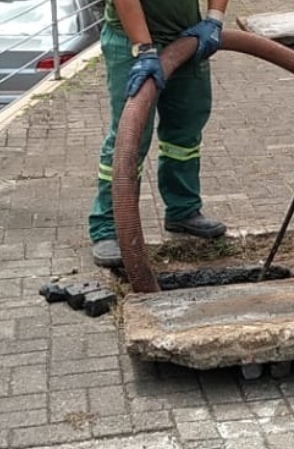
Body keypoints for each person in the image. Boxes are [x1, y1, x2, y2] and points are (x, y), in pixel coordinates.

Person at [89, 0, 230, 267]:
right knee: (130, 135)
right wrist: (144, 48)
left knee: (185, 129)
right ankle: (107, 227)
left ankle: (183, 210)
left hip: (188, 36)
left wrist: (214, 19)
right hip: (130, 42)